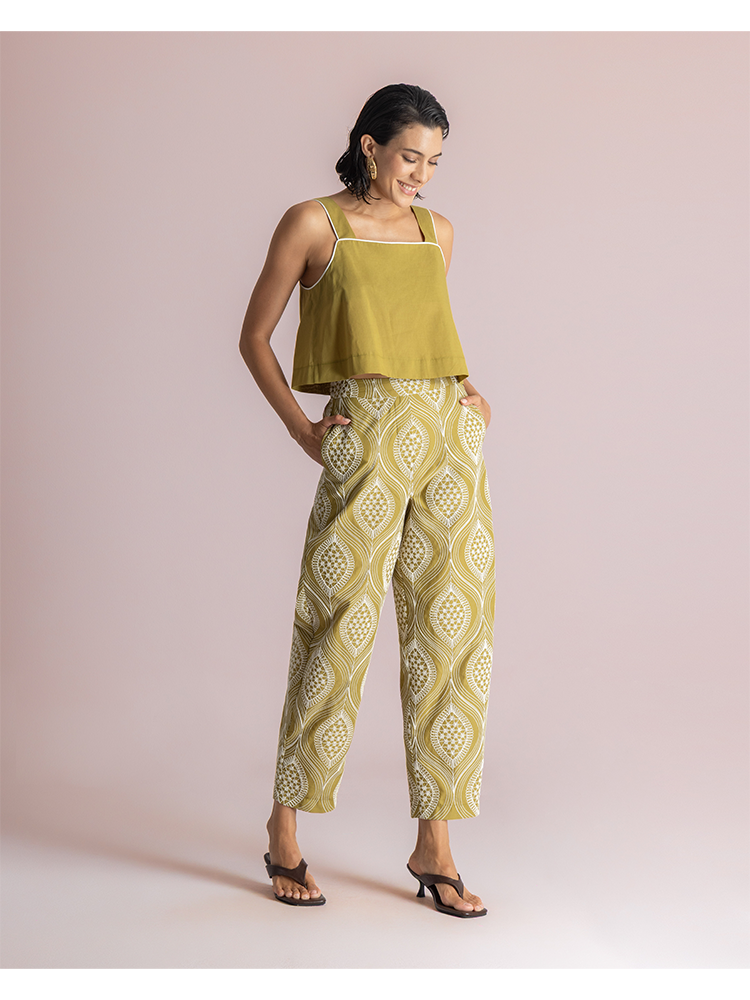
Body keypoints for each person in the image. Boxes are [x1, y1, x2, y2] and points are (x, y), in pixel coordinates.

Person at [239, 83, 495, 917]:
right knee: (337, 623)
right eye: (410, 156)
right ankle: (284, 828)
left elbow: (422, 330)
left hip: (448, 439)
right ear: (369, 145)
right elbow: (253, 337)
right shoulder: (313, 224)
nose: (420, 174)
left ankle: (435, 845)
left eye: (435, 162)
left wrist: (467, 390)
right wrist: (301, 430)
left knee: (453, 631)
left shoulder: (436, 231)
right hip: (368, 432)